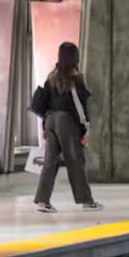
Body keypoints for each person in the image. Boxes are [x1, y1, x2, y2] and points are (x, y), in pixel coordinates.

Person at [33, 42, 102, 213]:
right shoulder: (74, 79)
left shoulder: (52, 77)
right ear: (75, 58)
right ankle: (86, 201)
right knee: (75, 161)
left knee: (50, 162)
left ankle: (43, 200)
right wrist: (86, 128)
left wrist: (44, 125)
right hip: (66, 122)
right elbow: (78, 107)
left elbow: (45, 102)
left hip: (50, 120)